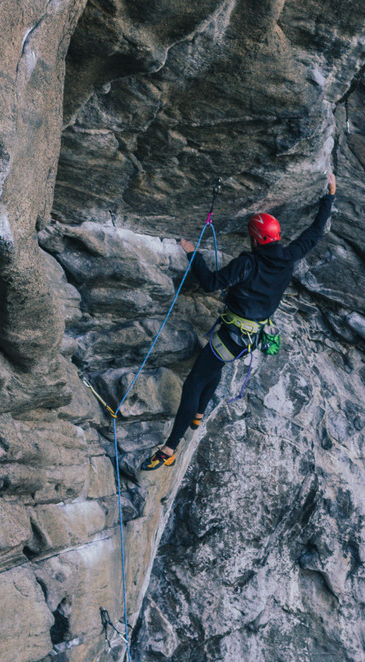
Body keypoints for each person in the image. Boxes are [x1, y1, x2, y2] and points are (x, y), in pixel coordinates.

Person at [141, 173, 336, 470]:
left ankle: (169, 448)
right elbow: (315, 232)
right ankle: (198, 415)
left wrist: (193, 253)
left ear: (254, 239)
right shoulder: (289, 257)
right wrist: (330, 195)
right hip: (249, 339)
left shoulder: (249, 263)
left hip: (232, 337)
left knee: (194, 382)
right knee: (215, 366)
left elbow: (210, 283)